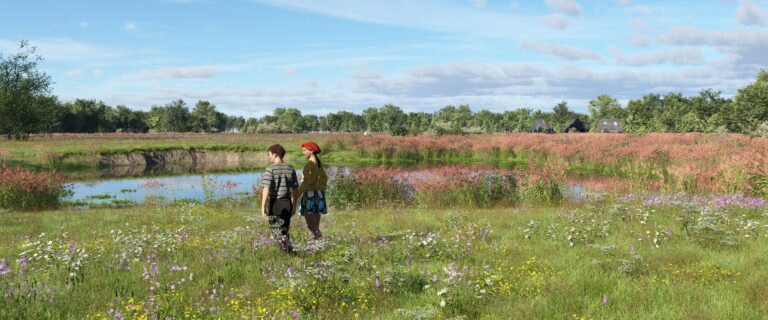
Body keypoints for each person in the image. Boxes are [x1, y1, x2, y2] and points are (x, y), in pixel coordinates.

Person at [261, 144, 299, 252]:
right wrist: (294, 205)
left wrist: (263, 206)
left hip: (275, 203)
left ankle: (280, 253)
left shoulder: (270, 169)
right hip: (287, 202)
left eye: (269, 154)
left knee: (275, 229)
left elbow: (266, 189)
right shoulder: (290, 168)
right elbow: (295, 189)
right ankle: (287, 251)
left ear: (275, 154)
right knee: (285, 229)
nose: (269, 157)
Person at [295, 141, 328, 240]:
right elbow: (325, 178)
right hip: (318, 195)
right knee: (315, 226)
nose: (303, 152)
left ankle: (318, 242)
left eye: (305, 150)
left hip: (310, 196)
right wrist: (321, 191)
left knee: (311, 225)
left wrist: (296, 195)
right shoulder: (319, 164)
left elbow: (306, 183)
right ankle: (318, 243)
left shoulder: (310, 165)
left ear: (312, 151)